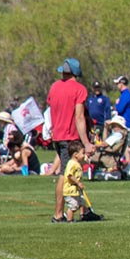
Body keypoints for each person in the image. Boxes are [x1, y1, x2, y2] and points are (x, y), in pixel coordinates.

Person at [48, 57, 93, 223]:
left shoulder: (54, 87)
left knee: (75, 173)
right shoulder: (79, 89)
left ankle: (85, 211)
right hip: (70, 137)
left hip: (58, 136)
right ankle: (58, 214)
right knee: (65, 175)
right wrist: (87, 142)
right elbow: (79, 117)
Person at [61, 141, 87, 222]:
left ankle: (83, 215)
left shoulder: (76, 163)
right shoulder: (72, 164)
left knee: (82, 202)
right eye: (83, 153)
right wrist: (78, 183)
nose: (84, 155)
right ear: (76, 154)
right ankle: (69, 219)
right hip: (70, 190)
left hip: (76, 190)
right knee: (73, 206)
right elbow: (69, 175)